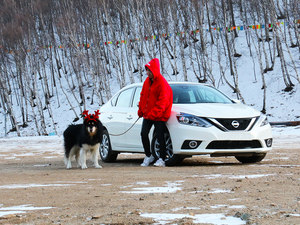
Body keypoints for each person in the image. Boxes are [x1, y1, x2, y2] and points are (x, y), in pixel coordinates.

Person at [138, 58, 173, 167]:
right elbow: (143, 96)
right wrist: (141, 110)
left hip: (160, 115)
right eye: (146, 70)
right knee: (143, 133)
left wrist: (154, 113)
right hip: (148, 114)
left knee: (159, 135)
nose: (147, 72)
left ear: (154, 70)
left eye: (149, 70)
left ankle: (162, 158)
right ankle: (149, 155)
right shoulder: (147, 82)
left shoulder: (162, 83)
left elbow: (163, 101)